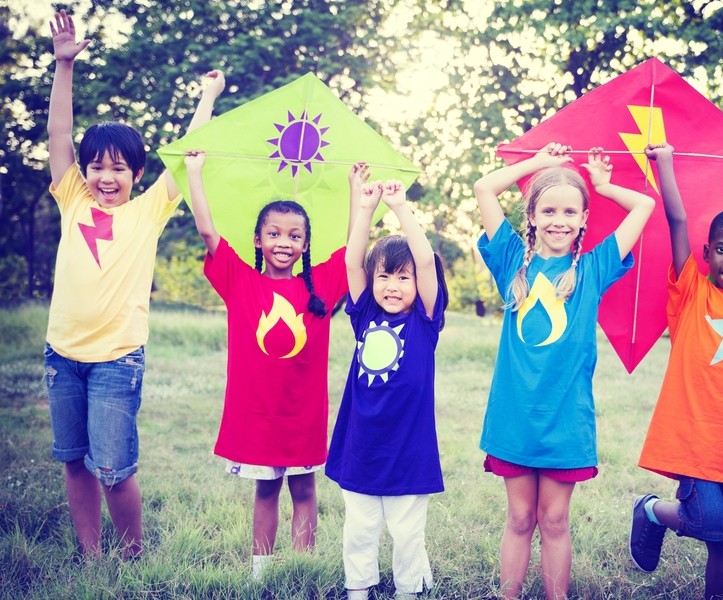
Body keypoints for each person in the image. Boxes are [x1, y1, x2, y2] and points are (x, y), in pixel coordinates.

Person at [44, 8, 223, 560]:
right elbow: (57, 132)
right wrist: (64, 66)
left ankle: (130, 555)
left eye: (119, 168)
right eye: (96, 165)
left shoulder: (149, 211)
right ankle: (92, 554)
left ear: (136, 175)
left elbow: (188, 147)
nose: (105, 177)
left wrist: (207, 98)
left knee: (115, 471)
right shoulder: (71, 197)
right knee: (74, 460)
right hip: (62, 356)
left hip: (117, 359)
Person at [473, 142, 655, 599]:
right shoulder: (512, 260)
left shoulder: (595, 267)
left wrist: (604, 185)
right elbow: (484, 188)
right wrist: (541, 164)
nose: (559, 220)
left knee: (554, 520)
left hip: (565, 419)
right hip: (515, 416)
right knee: (519, 518)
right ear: (531, 216)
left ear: (582, 220)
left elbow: (645, 205)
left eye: (570, 212)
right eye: (548, 209)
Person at [183, 151, 359, 579]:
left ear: (305, 244)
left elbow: (354, 248)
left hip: (302, 413)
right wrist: (194, 172)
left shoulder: (319, 289)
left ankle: (303, 567)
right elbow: (206, 230)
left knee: (304, 488)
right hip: (257, 414)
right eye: (275, 234)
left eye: (295, 235)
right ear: (258, 240)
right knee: (266, 489)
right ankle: (260, 570)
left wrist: (358, 192)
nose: (285, 242)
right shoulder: (240, 281)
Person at [630, 143, 723, 600]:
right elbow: (677, 220)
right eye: (722, 249)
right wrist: (666, 164)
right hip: (695, 440)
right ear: (707, 252)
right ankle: (652, 511)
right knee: (709, 523)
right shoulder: (692, 291)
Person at [325, 172, 448, 600]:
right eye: (385, 277)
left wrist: (399, 207)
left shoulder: (424, 321)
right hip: (362, 442)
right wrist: (364, 208)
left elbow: (428, 261)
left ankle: (409, 590)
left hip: (409, 447)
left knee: (407, 531)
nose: (392, 286)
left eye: (402, 278)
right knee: (359, 527)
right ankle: (358, 588)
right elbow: (351, 262)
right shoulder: (363, 315)